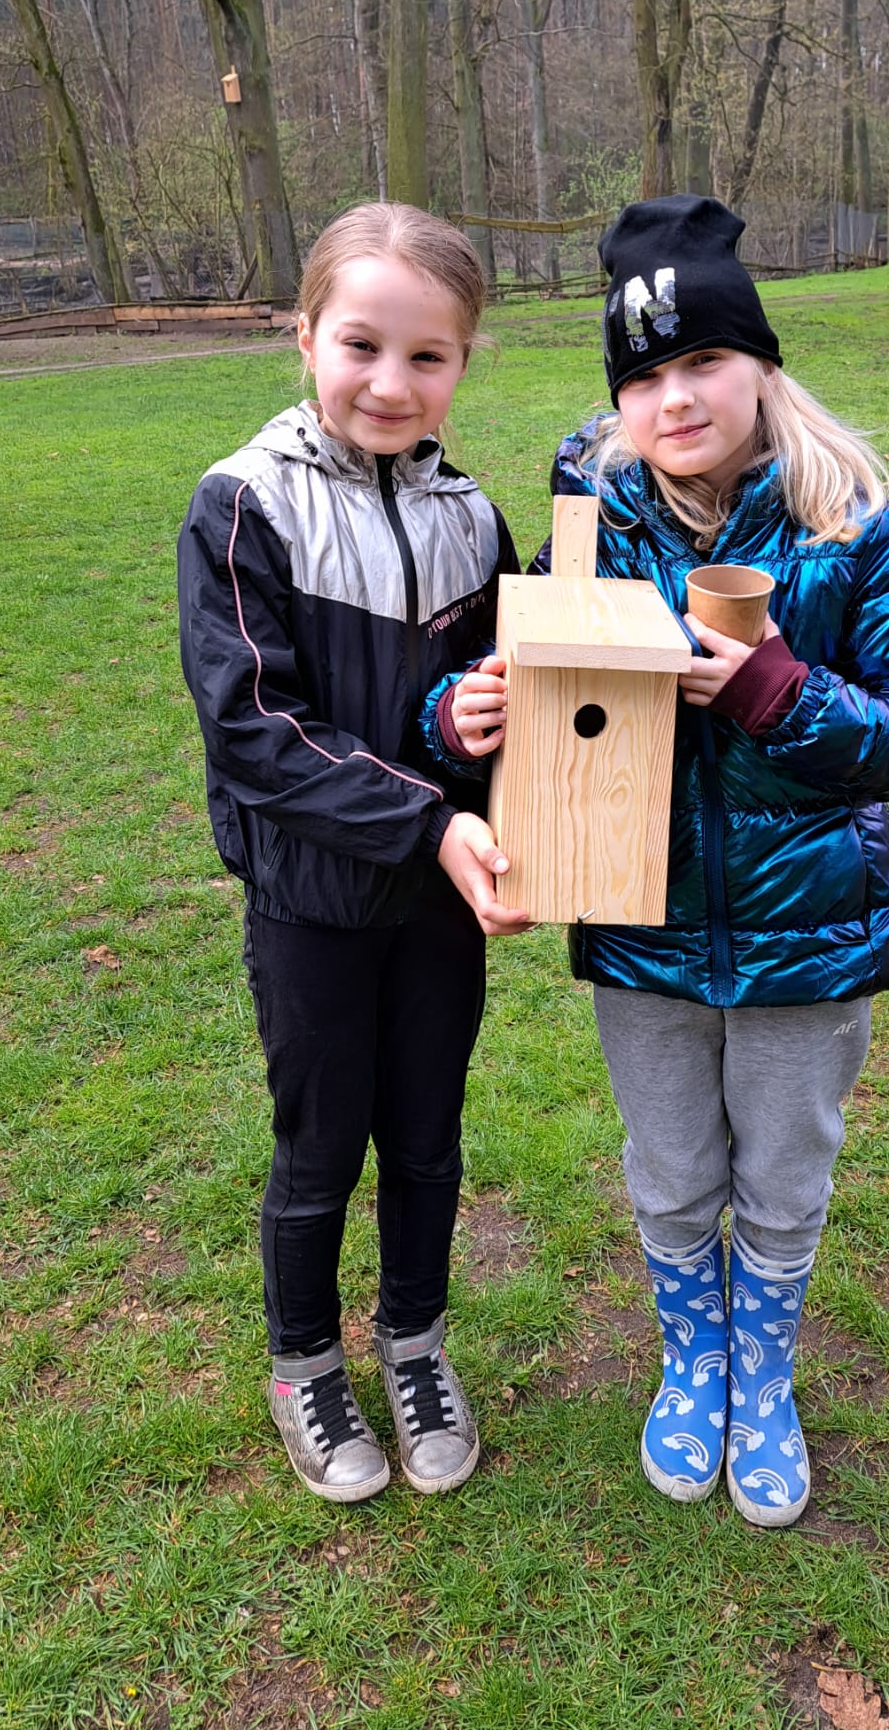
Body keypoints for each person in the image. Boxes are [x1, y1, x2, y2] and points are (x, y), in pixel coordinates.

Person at [428, 195, 889, 1527]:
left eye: (705, 362)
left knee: (782, 1177)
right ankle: (695, 1361)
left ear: (761, 364)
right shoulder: (591, 522)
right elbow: (514, 676)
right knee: (671, 1171)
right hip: (643, 924)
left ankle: (763, 1374)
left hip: (811, 934)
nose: (675, 398)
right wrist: (463, 712)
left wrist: (783, 694)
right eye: (645, 376)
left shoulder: (849, 526)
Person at [177, 202, 527, 1507]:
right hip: (312, 905)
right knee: (322, 1146)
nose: (391, 383)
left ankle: (415, 1342)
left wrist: (479, 729)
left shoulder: (473, 521)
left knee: (427, 1136)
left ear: (464, 361)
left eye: (427, 356)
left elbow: (491, 701)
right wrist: (431, 819)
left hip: (439, 907)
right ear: (306, 337)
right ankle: (305, 1365)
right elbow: (255, 730)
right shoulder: (242, 506)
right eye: (362, 346)